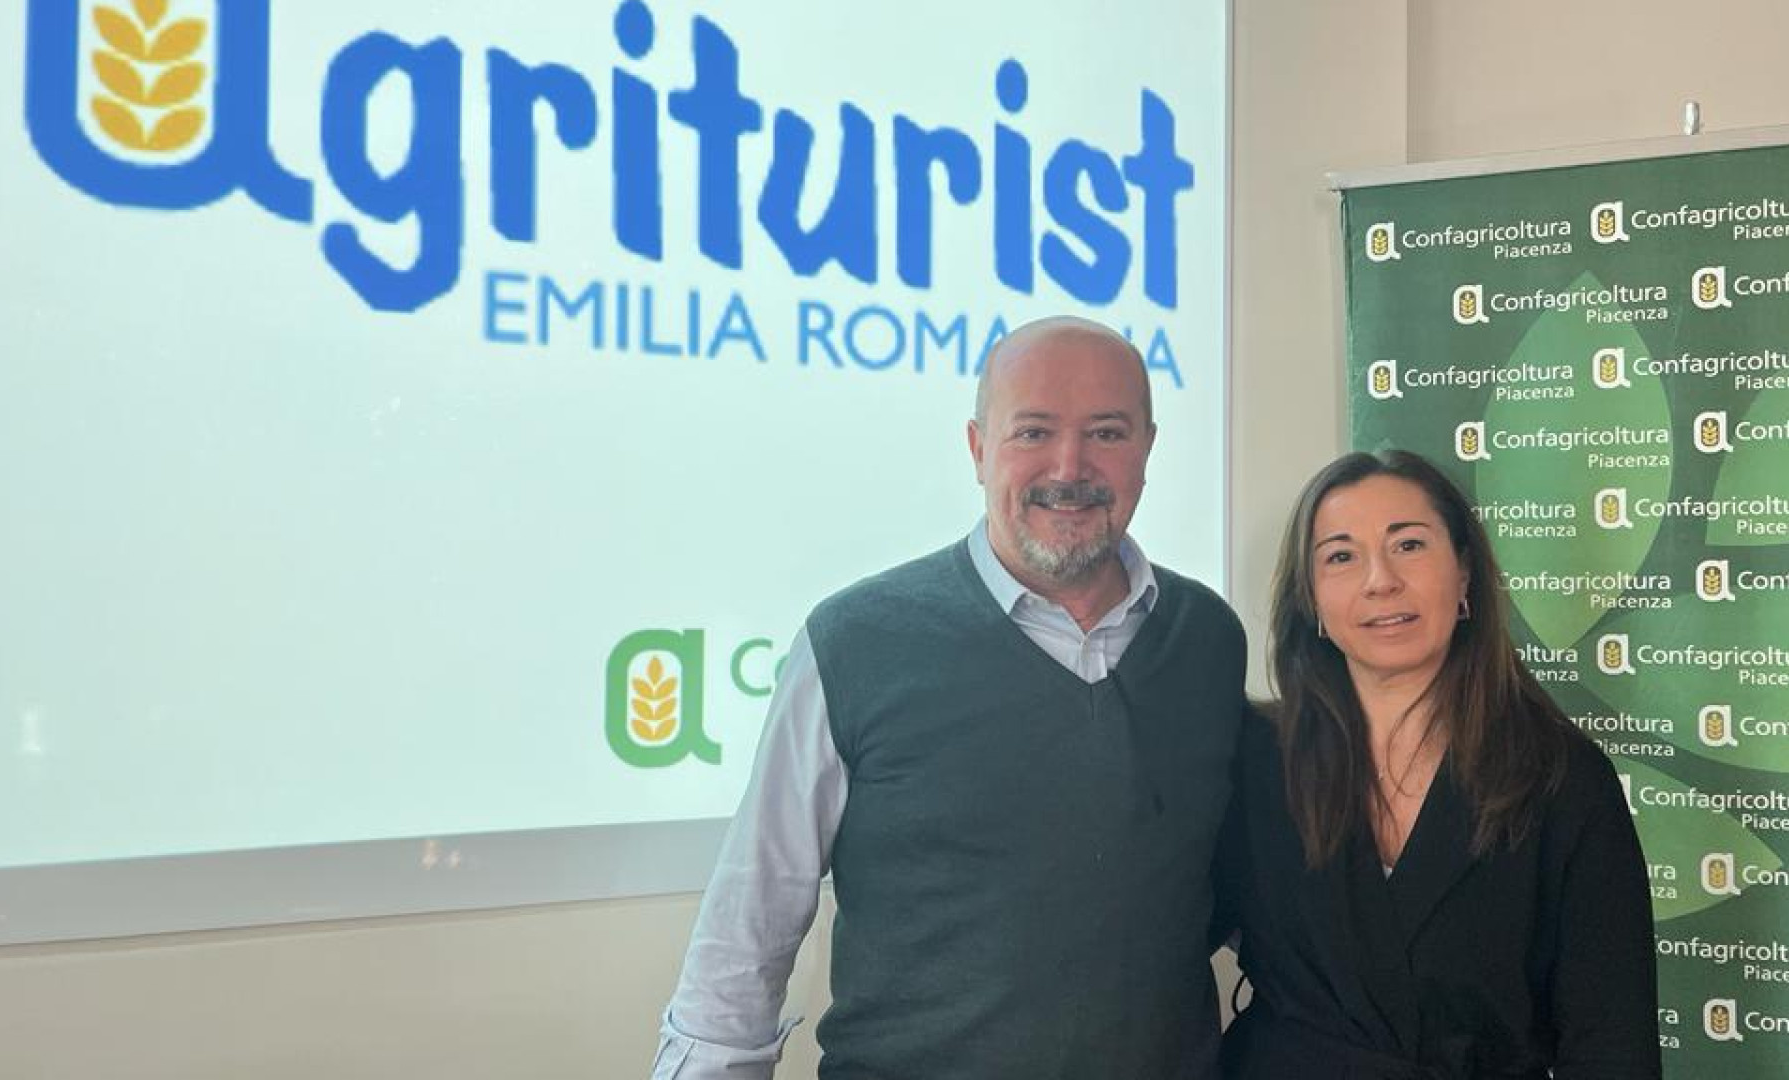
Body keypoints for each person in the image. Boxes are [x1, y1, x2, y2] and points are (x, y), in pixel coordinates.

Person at [652, 316, 1248, 1080]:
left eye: (1106, 432)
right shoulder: (855, 641)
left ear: (1147, 449)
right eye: (1033, 432)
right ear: (977, 449)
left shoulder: (1207, 639)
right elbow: (748, 930)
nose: (1070, 466)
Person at [1219, 450, 1659, 1080]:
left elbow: (1612, 1044)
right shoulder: (1253, 758)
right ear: (1310, 599)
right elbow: (1159, 939)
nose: (1381, 581)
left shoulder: (1559, 779)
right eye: (1341, 556)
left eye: (1409, 545)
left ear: (1465, 575)